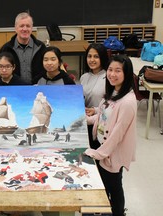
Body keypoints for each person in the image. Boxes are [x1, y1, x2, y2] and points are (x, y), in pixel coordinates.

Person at [84, 55, 137, 216]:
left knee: (114, 187)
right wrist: (85, 120)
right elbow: (102, 116)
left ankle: (118, 213)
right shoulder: (113, 92)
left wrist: (97, 153)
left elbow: (117, 134)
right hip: (103, 147)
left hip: (112, 152)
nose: (112, 74)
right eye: (110, 70)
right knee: (107, 185)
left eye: (118, 71)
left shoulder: (127, 102)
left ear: (126, 74)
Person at [0, 12, 46, 84]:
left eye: (28, 26)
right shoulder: (6, 49)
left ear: (32, 28)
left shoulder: (41, 47)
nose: (25, 29)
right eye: (21, 26)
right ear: (15, 28)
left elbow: (45, 71)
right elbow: (1, 73)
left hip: (36, 89)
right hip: (13, 89)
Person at [80, 43, 109, 149]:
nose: (92, 60)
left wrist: (95, 110)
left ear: (103, 58)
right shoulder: (84, 77)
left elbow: (112, 105)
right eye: (89, 56)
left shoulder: (108, 78)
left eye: (96, 56)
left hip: (101, 122)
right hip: (85, 122)